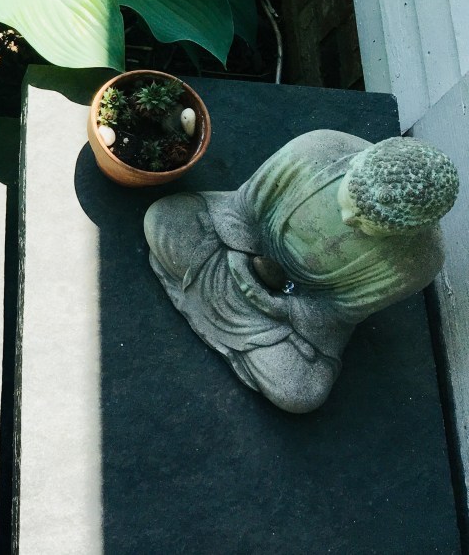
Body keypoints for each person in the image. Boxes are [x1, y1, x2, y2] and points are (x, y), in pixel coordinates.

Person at [145, 132, 458, 413]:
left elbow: (338, 313)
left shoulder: (418, 262)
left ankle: (206, 299)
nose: (349, 219)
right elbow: (241, 211)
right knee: (164, 219)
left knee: (300, 392)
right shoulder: (316, 151)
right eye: (350, 201)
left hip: (291, 308)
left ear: (407, 232)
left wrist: (283, 305)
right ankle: (227, 317)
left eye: (366, 225)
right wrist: (242, 259)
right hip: (236, 252)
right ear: (356, 164)